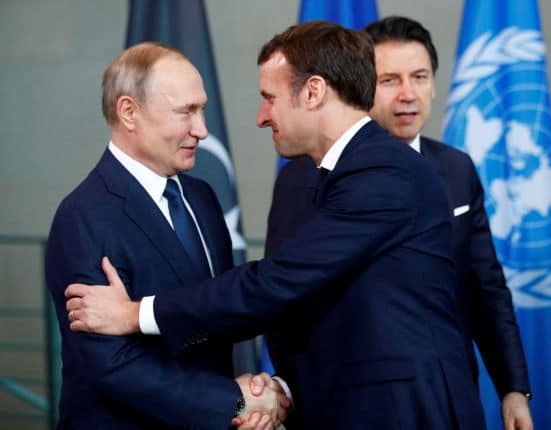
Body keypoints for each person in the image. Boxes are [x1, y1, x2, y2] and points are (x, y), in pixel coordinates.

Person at [65, 22, 486, 429]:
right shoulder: (83, 215)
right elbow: (290, 300)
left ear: (314, 91)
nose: (261, 116)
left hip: (402, 411)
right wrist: (259, 393)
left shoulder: (384, 173)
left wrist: (135, 314)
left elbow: (274, 283)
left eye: (270, 97)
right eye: (186, 111)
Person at [268, 16, 533, 430]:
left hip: (446, 395)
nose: (408, 94)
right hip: (346, 402)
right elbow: (282, 294)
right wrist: (295, 390)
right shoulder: (302, 177)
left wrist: (513, 388)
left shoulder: (456, 168)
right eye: (389, 79)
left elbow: (485, 287)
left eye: (420, 76)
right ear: (360, 86)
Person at [45, 42, 285, 429]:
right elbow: (112, 364)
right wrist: (233, 400)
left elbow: (218, 310)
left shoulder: (202, 198)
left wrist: (255, 394)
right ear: (129, 112)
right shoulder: (82, 216)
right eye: (186, 112)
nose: (202, 130)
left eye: (202, 109)